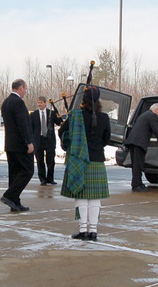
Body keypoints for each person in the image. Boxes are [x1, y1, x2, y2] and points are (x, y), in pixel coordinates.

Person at [59, 86, 111, 242]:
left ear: (84, 100)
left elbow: (62, 132)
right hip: (97, 160)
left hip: (78, 160)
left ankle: (83, 230)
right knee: (95, 198)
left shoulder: (76, 117)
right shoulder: (104, 118)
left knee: (81, 195)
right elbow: (106, 139)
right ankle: (93, 231)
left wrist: (71, 144)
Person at [0, 79, 34, 212]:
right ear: (20, 88)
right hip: (20, 145)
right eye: (25, 89)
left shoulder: (6, 102)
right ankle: (9, 196)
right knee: (27, 171)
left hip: (10, 145)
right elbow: (22, 124)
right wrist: (28, 142)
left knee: (14, 173)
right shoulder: (18, 102)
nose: (25, 91)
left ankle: (14, 202)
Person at [124, 103, 158, 192]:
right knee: (138, 165)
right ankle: (136, 186)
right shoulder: (152, 116)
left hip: (132, 141)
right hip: (139, 143)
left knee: (135, 164)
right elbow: (156, 129)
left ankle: (138, 183)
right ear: (157, 110)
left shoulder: (144, 115)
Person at [30, 96, 62, 186]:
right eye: (38, 102)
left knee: (50, 160)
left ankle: (50, 179)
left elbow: (59, 122)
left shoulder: (51, 113)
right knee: (40, 161)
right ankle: (42, 179)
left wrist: (57, 113)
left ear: (45, 103)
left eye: (40, 102)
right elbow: (30, 128)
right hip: (38, 140)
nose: (39, 104)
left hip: (49, 140)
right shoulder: (33, 115)